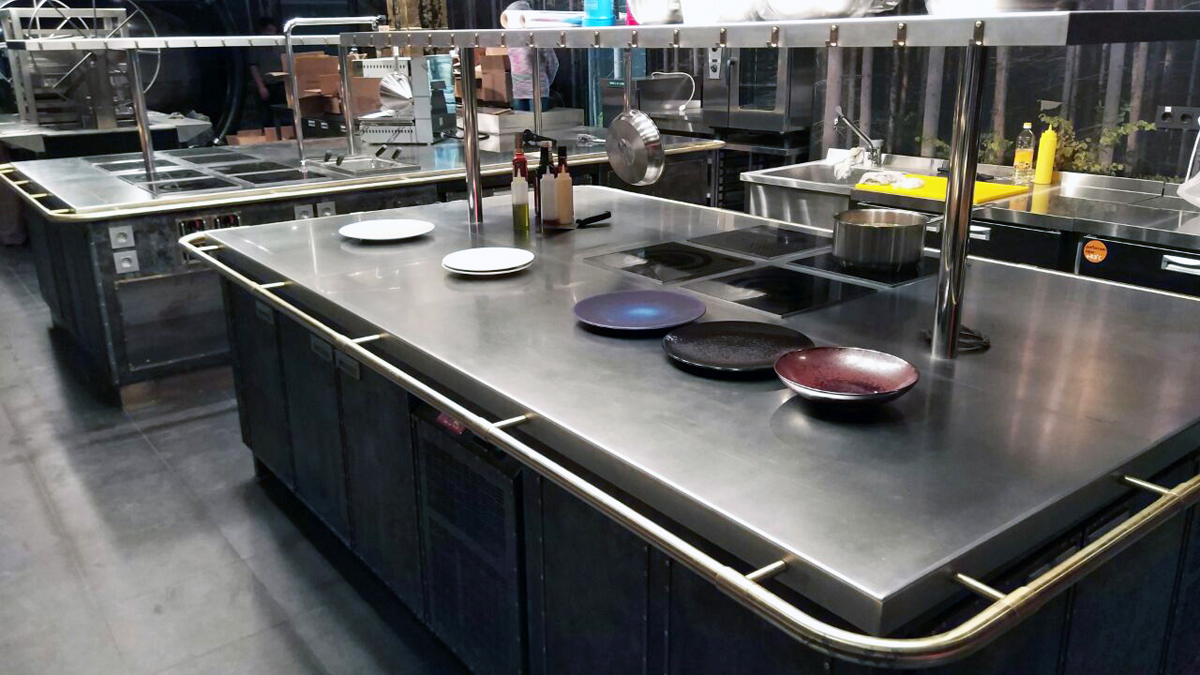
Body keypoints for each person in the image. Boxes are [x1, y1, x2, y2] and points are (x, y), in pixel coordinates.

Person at [505, 1, 557, 112]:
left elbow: (553, 62)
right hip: (518, 92)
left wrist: (545, 83)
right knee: (520, 122)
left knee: (537, 122)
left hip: (538, 91)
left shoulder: (538, 36)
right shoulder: (510, 39)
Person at [248, 17, 286, 129]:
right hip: (264, 84)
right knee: (266, 118)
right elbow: (253, 66)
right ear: (263, 31)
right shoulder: (256, 45)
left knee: (284, 116)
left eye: (273, 31)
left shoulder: (280, 44)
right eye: (269, 31)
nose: (272, 33)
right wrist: (261, 87)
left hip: (280, 84)